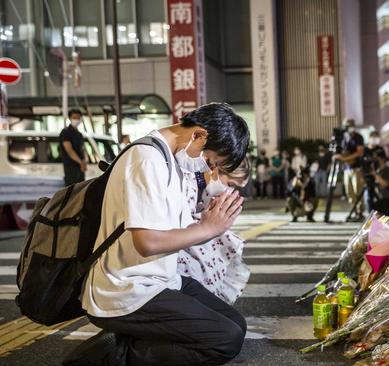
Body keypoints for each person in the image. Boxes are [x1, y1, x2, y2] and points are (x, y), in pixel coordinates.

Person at [66, 103, 250, 366]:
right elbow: (147, 242)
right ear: (198, 135)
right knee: (225, 339)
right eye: (211, 162)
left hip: (162, 278)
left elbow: (176, 232)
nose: (208, 170)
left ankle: (126, 341)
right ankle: (110, 355)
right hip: (126, 287)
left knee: (235, 324)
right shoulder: (146, 159)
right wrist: (208, 228)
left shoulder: (169, 160)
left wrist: (212, 222)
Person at [178, 158, 251, 305]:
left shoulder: (203, 187)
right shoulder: (186, 179)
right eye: (230, 184)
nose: (230, 191)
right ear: (216, 169)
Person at [334, 118, 365, 221]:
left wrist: (344, 158)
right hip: (347, 169)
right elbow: (343, 151)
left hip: (356, 168)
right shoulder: (344, 137)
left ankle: (360, 212)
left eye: (351, 125)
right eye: (348, 125)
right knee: (349, 192)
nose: (350, 127)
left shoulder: (358, 137)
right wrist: (338, 156)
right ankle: (354, 211)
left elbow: (359, 152)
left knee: (358, 191)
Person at [59, 109, 87, 186]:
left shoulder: (79, 134)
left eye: (78, 118)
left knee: (81, 189)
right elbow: (69, 150)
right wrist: (80, 162)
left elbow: (82, 149)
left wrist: (84, 161)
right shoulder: (66, 132)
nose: (76, 120)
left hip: (80, 167)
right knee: (72, 190)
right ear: (70, 118)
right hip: (71, 167)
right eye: (74, 117)